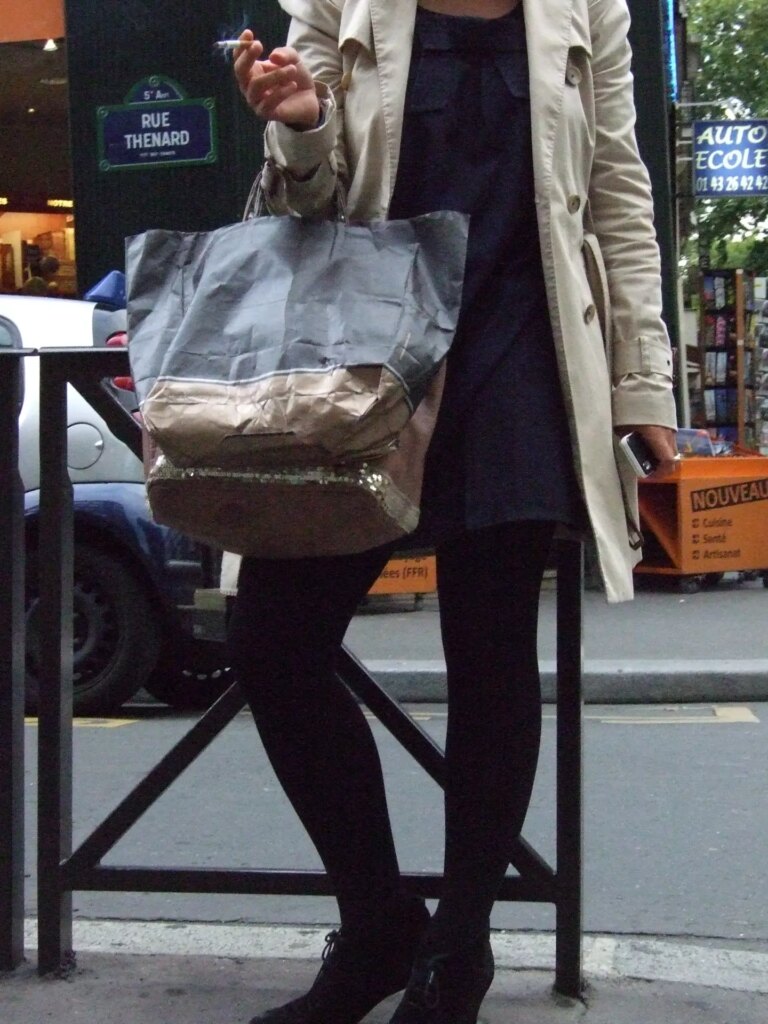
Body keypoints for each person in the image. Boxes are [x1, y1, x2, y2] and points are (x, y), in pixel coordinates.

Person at [227, 2, 679, 1022]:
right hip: (368, 352)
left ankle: (457, 949)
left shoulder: (589, 9)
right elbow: (301, 206)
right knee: (272, 638)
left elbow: (617, 190)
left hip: (523, 342)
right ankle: (379, 917)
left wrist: (644, 384)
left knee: (491, 650)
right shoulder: (340, 4)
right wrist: (298, 124)